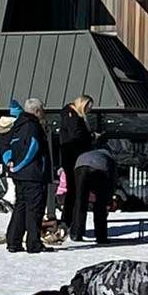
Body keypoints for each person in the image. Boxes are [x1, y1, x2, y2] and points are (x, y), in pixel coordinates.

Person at [3, 98, 51, 254]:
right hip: (32, 173)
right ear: (36, 111)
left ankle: (13, 241)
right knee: (34, 209)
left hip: (20, 175)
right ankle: (33, 243)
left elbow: (7, 146)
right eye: (42, 109)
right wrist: (20, 165)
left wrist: (11, 163)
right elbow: (33, 146)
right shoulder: (33, 125)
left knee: (21, 207)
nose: (44, 112)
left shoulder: (18, 124)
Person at [56, 95, 95, 236]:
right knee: (75, 191)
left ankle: (69, 221)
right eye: (88, 107)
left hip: (72, 158)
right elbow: (75, 136)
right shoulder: (72, 117)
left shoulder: (70, 116)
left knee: (74, 191)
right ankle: (70, 222)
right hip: (74, 159)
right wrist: (89, 138)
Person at [69, 140, 115, 246]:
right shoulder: (109, 157)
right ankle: (101, 236)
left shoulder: (88, 153)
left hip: (80, 166)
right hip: (100, 168)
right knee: (100, 204)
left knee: (80, 201)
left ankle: (76, 233)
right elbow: (111, 180)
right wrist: (108, 199)